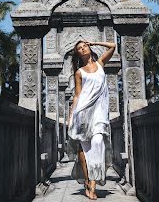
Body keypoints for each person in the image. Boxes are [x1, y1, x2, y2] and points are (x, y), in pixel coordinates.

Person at [67, 40, 115, 199]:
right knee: (84, 148)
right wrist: (71, 116)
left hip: (99, 113)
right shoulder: (79, 72)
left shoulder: (101, 64)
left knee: (97, 142)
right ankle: (88, 181)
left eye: (84, 46)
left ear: (89, 48)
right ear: (78, 54)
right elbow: (77, 96)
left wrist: (95, 42)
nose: (82, 49)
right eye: (79, 48)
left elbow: (113, 46)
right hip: (83, 112)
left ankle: (92, 183)